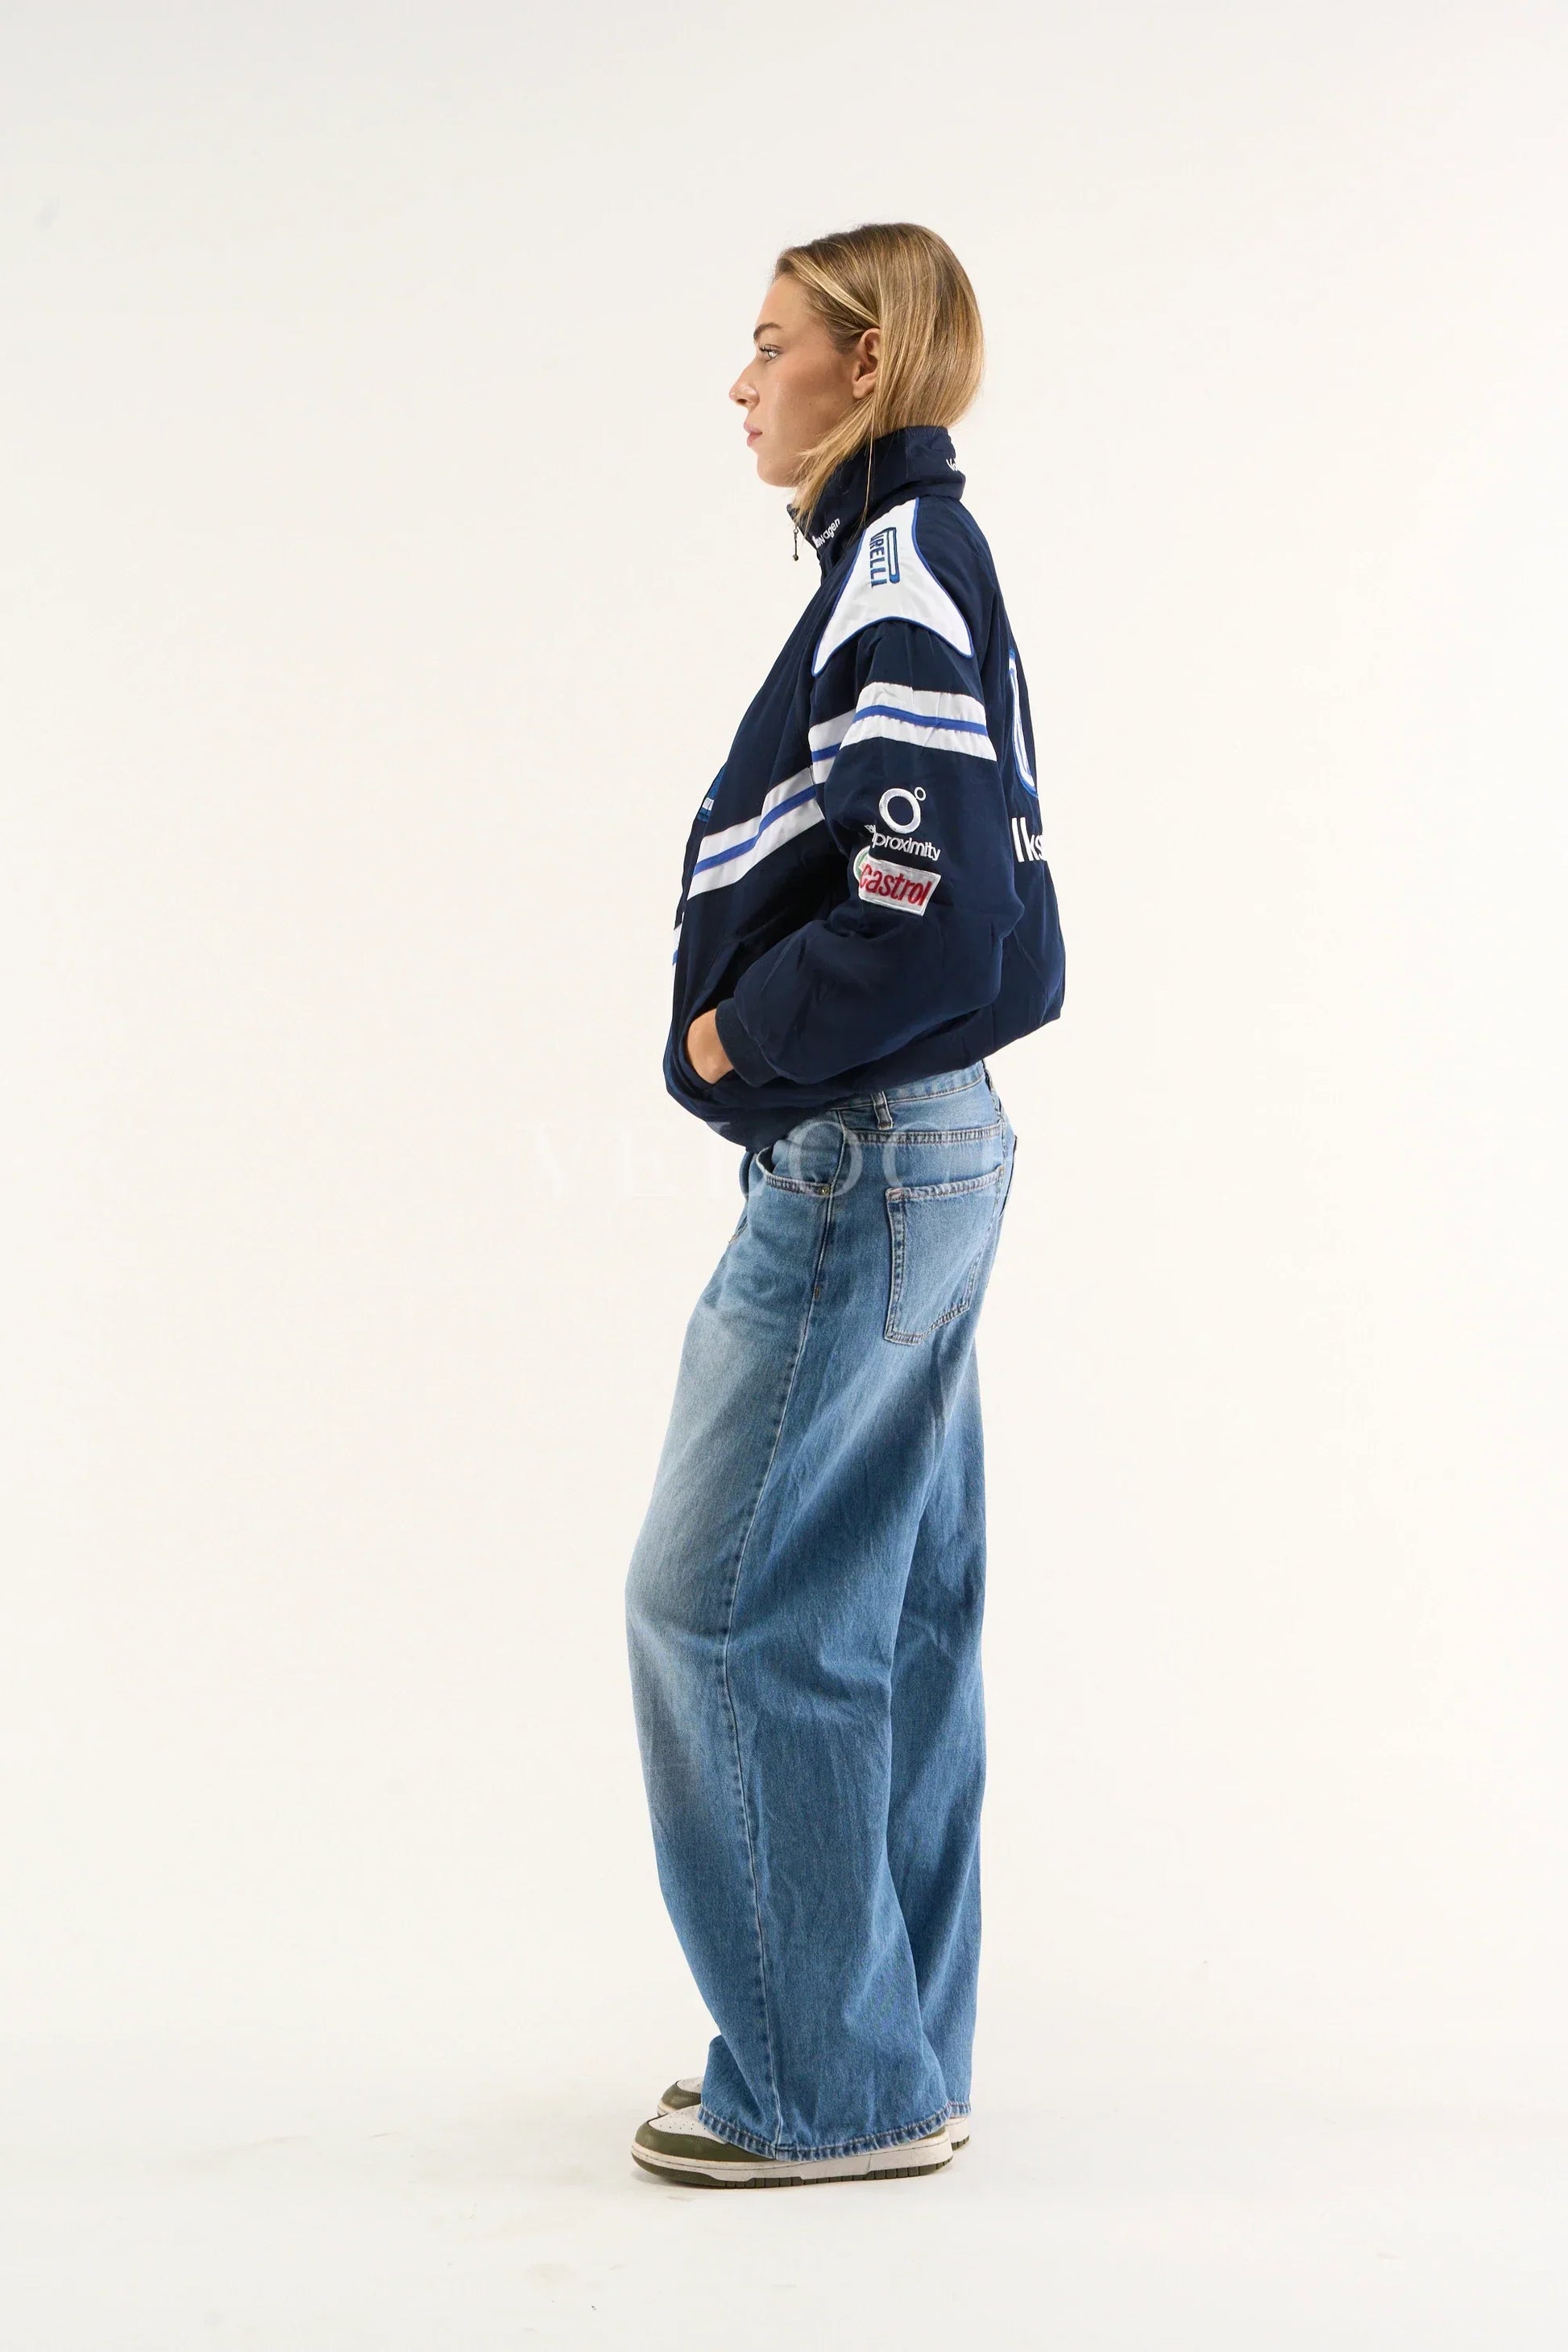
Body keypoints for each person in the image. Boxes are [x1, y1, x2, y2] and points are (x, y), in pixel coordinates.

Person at [624, 222, 1065, 2188]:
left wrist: (740, 1035)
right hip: (927, 1145)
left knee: (722, 1607)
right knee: (884, 1614)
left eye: (770, 342)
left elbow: (928, 897)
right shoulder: (907, 560)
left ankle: (817, 2085)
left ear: (865, 363)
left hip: (866, 1150)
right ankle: (882, 2062)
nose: (742, 383)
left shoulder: (893, 566)